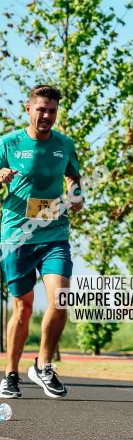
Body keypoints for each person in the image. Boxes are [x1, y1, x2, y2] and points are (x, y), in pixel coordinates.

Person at [0, 85, 83, 399]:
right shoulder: (8, 143)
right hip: (17, 236)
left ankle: (44, 366)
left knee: (60, 299)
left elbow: (73, 176)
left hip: (54, 234)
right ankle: (10, 373)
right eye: (41, 109)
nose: (46, 115)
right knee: (23, 308)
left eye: (52, 110)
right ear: (28, 109)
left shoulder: (65, 144)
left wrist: (76, 194)